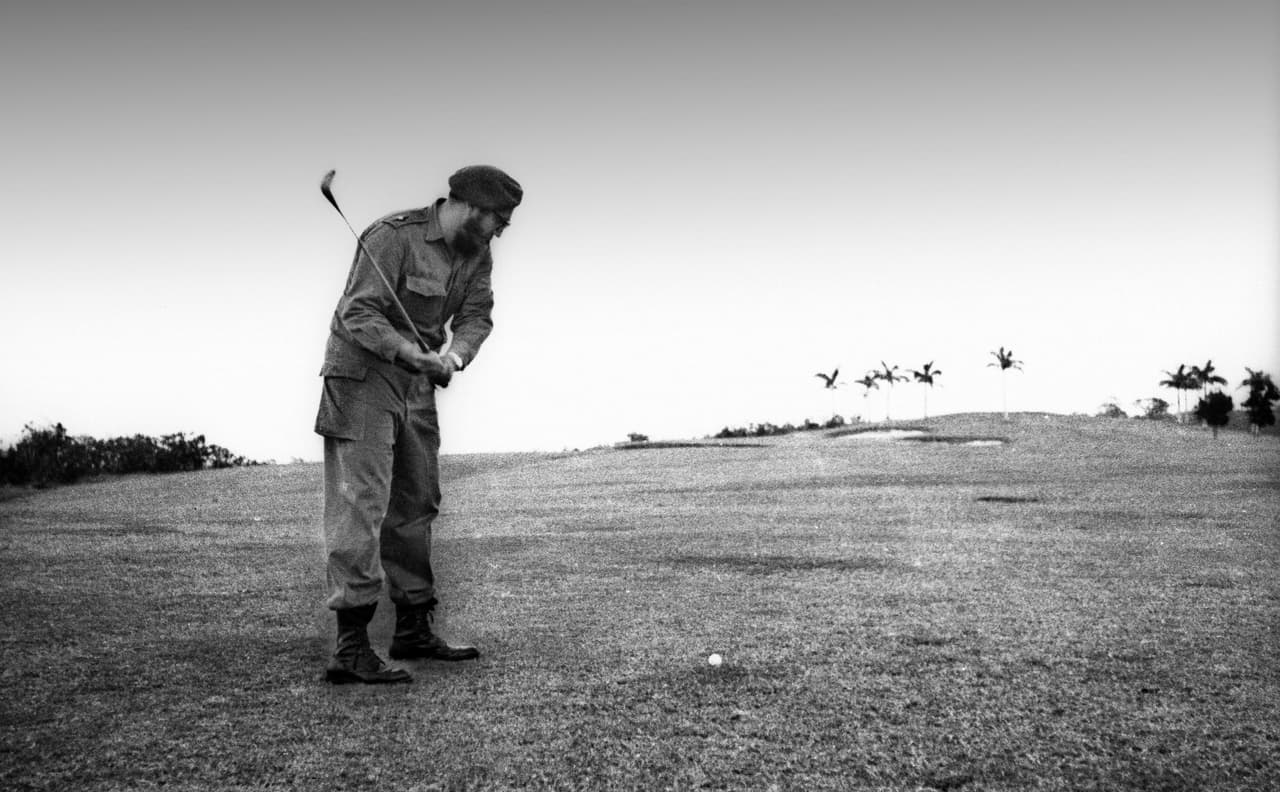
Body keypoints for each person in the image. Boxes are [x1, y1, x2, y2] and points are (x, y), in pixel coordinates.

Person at [314, 165, 522, 684]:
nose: (503, 228)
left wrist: (454, 358)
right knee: (361, 502)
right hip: (362, 376)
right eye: (500, 217)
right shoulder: (392, 237)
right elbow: (358, 315)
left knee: (418, 501)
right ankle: (351, 645)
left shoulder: (477, 254)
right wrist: (413, 354)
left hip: (418, 383)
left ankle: (412, 626)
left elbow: (477, 316)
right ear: (472, 208)